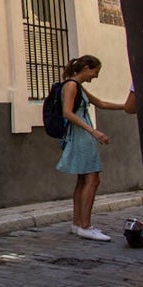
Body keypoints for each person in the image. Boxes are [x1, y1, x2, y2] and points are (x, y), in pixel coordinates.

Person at [54, 54, 128, 241]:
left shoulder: (78, 87)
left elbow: (101, 103)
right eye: (95, 72)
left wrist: (126, 106)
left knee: (83, 180)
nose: (95, 76)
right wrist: (93, 131)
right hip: (81, 137)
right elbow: (67, 113)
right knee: (92, 180)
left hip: (82, 136)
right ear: (86, 68)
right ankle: (85, 225)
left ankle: (78, 224)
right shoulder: (71, 86)